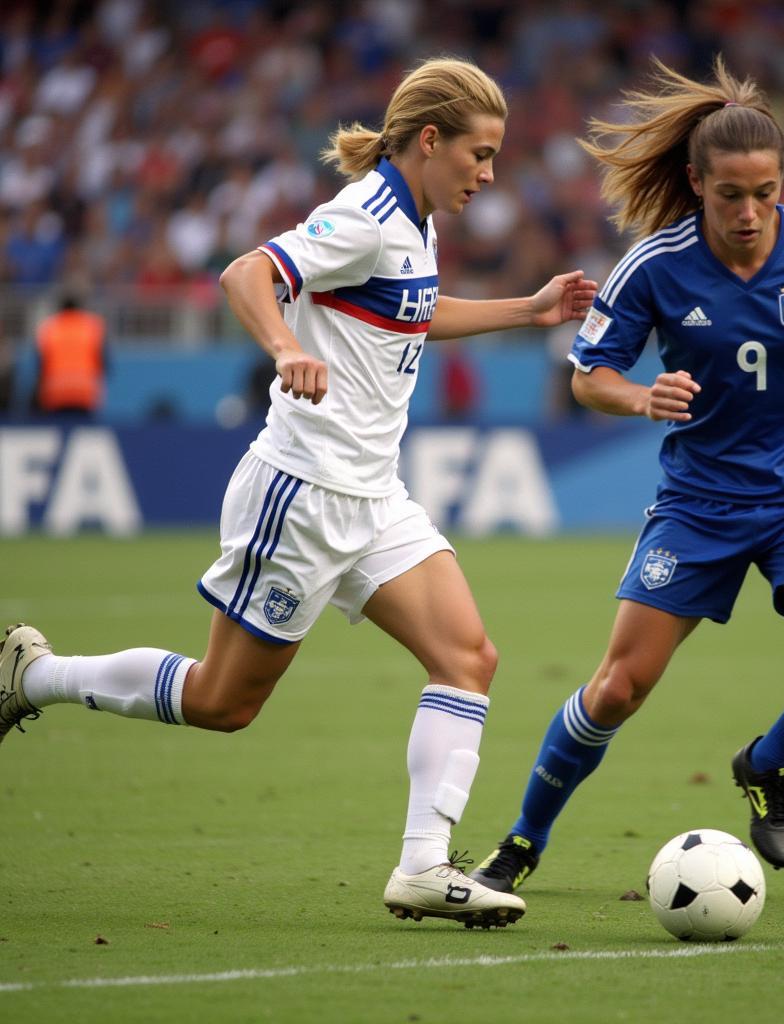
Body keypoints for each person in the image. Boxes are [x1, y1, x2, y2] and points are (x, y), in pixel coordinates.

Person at [0, 57, 597, 929]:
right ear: (430, 141)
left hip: (373, 496)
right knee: (221, 702)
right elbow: (247, 274)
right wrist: (285, 347)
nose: (490, 172)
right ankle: (37, 674)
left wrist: (528, 309)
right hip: (304, 495)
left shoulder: (416, 224)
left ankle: (424, 868)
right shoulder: (364, 213)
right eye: (481, 152)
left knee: (469, 658)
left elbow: (412, 309)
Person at [470, 57, 784, 894]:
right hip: (698, 506)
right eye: (729, 194)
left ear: (783, 182)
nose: (749, 212)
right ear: (696, 182)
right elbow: (588, 376)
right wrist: (641, 397)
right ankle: (522, 843)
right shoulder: (655, 266)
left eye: (765, 192)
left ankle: (767, 761)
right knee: (617, 688)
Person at [33, 293, 108, 416]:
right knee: (83, 431)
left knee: (59, 430)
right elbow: (103, 360)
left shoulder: (49, 327)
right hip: (85, 392)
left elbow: (40, 363)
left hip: (55, 392)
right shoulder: (92, 326)